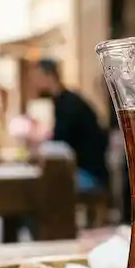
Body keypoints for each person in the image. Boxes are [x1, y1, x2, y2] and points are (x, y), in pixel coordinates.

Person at [28, 58, 109, 193]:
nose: (34, 83)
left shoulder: (69, 104)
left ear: (49, 76)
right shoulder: (64, 100)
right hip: (86, 171)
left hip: (89, 175)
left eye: (37, 77)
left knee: (39, 190)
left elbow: (60, 142)